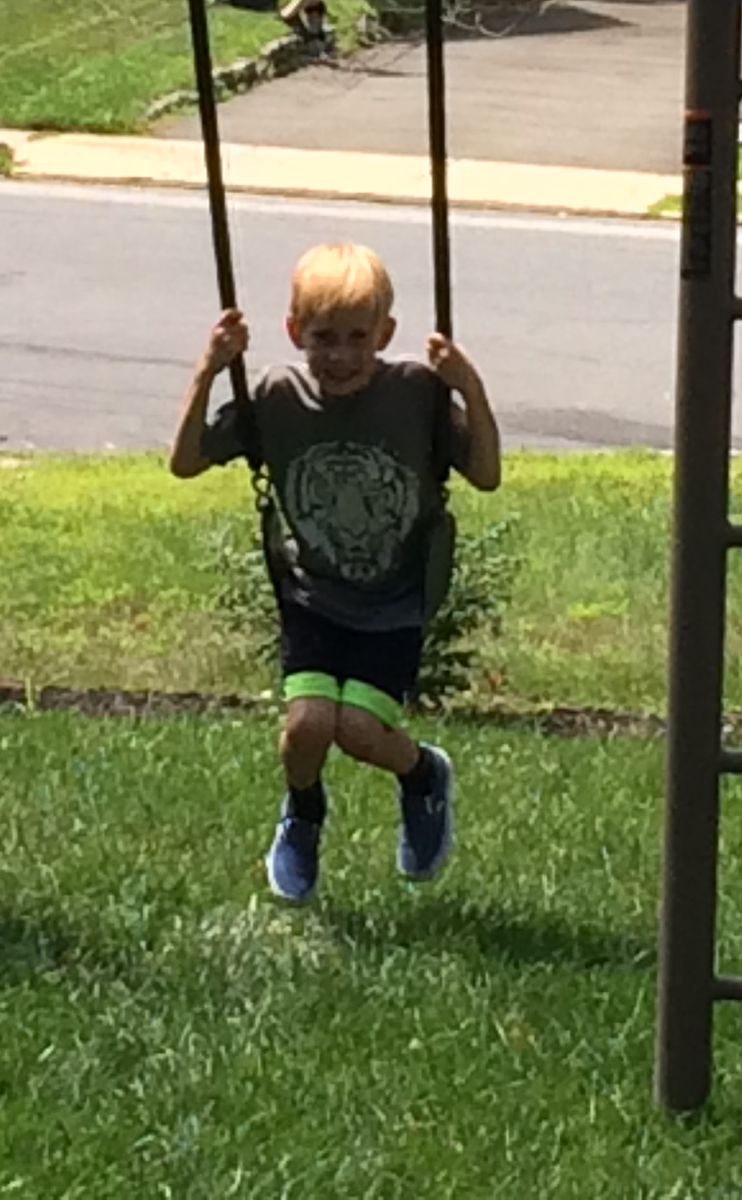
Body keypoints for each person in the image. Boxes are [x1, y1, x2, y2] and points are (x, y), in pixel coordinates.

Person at [171, 242, 501, 904]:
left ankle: (422, 776)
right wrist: (209, 370)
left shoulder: (416, 392)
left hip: (396, 600)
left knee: (358, 731)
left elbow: (486, 475)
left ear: (386, 333)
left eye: (358, 338)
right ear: (295, 331)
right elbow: (186, 461)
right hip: (313, 595)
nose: (341, 356)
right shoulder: (276, 395)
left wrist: (470, 387)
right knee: (306, 727)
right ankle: (303, 812)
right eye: (324, 338)